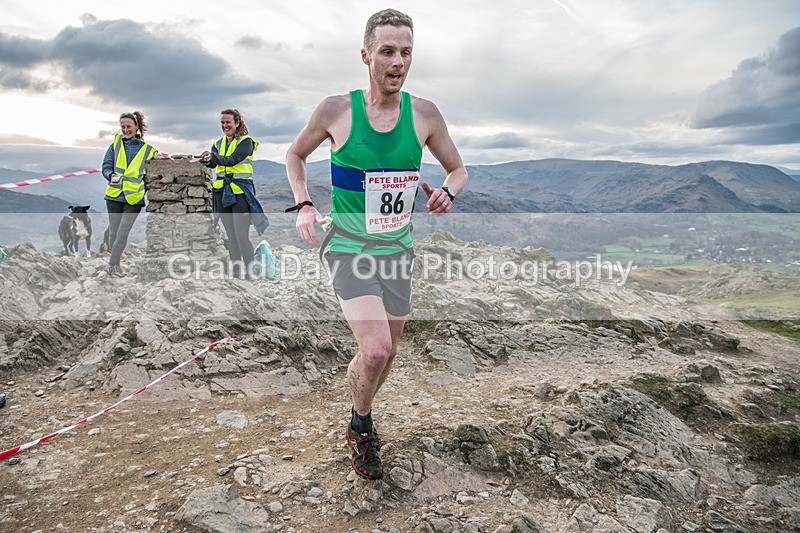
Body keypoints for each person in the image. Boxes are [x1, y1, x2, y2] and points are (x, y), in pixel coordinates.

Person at [286, 8, 468, 480]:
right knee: (376, 351)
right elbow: (295, 154)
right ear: (366, 55)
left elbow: (458, 169)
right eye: (387, 51)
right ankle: (361, 425)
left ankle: (359, 408)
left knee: (387, 353)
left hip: (397, 251)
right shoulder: (336, 110)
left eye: (406, 52)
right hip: (348, 246)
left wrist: (448, 191)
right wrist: (304, 204)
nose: (398, 62)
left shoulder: (424, 115)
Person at [200, 109, 269, 279]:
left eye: (228, 122)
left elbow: (232, 160)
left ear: (237, 123)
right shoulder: (217, 144)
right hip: (221, 193)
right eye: (222, 123)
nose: (225, 126)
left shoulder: (246, 142)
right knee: (231, 237)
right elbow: (214, 165)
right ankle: (237, 275)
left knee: (241, 236)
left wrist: (214, 159)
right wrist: (206, 160)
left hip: (239, 193)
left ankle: (251, 273)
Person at [102, 111, 157, 277]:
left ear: (137, 127)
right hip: (114, 195)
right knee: (113, 232)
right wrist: (110, 175)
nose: (125, 130)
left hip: (133, 198)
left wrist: (143, 190)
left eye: (128, 126)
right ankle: (115, 265)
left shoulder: (148, 151)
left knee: (122, 232)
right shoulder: (115, 145)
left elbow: (150, 176)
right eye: (123, 127)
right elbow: (106, 166)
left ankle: (111, 266)